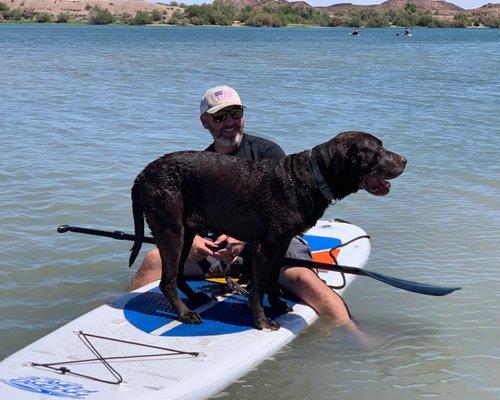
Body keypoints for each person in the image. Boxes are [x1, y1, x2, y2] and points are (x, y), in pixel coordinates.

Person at [129, 86, 370, 342]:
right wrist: (195, 241)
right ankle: (119, 308)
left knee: (302, 279)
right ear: (205, 122)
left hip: (274, 243)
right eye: (220, 117)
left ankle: (356, 334)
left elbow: (283, 217)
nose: (230, 122)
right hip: (221, 253)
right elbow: (190, 219)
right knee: (154, 260)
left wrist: (242, 238)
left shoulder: (269, 154)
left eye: (235, 113)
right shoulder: (202, 164)